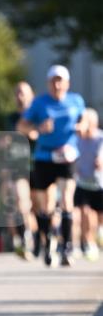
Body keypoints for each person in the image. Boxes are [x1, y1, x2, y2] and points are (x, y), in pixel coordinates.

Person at [17, 65, 86, 267]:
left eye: (60, 80)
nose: (57, 84)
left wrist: (81, 127)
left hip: (68, 155)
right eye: (53, 80)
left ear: (67, 83)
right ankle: (48, 244)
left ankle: (67, 248)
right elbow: (21, 126)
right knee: (45, 206)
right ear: (48, 83)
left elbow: (84, 120)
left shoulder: (76, 101)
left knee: (66, 199)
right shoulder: (39, 103)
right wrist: (38, 128)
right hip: (44, 156)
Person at [3, 81, 39, 259]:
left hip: (39, 165)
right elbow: (5, 140)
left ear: (31, 94)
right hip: (17, 166)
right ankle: (25, 238)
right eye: (17, 92)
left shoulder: (37, 115)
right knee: (20, 201)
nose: (20, 96)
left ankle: (43, 238)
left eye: (23, 92)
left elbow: (37, 136)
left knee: (40, 209)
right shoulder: (10, 118)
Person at [74, 108, 103, 260]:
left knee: (99, 216)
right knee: (85, 212)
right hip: (83, 182)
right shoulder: (77, 139)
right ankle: (89, 244)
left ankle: (100, 231)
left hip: (99, 183)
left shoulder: (100, 138)